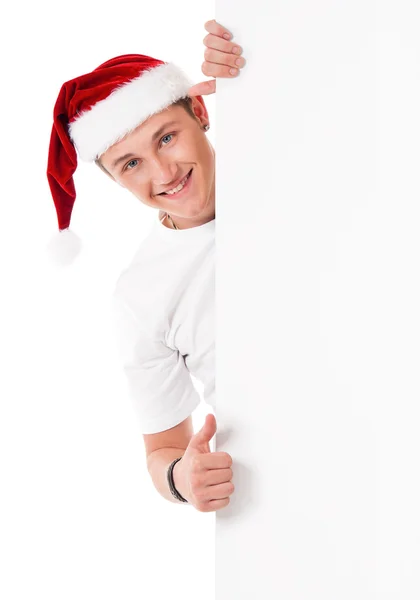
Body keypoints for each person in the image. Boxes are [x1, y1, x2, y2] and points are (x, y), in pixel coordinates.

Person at [46, 19, 246, 512]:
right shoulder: (141, 294)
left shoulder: (293, 163)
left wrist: (255, 52)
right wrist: (183, 478)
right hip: (289, 478)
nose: (165, 173)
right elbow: (162, 450)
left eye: (165, 138)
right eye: (130, 164)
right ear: (115, 180)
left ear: (199, 110)